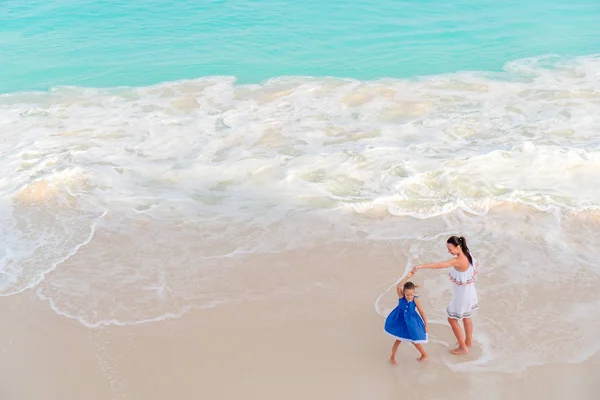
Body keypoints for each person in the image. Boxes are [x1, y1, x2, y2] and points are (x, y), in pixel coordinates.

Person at [413, 236, 478, 355]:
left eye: (450, 249)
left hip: (462, 295)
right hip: (470, 291)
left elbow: (439, 265)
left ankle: (463, 348)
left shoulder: (458, 260)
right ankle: (468, 341)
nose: (449, 251)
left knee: (452, 319)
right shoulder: (467, 253)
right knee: (466, 317)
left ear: (458, 247)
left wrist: (421, 266)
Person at [384, 271, 429, 365]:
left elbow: (422, 311)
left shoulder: (415, 299)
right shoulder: (401, 297)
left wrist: (426, 324)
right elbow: (398, 287)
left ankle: (424, 354)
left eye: (411, 295)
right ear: (404, 292)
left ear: (414, 293)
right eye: (407, 295)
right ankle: (392, 357)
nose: (409, 297)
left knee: (414, 339)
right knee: (398, 339)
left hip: (411, 321)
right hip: (400, 320)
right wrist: (406, 277)